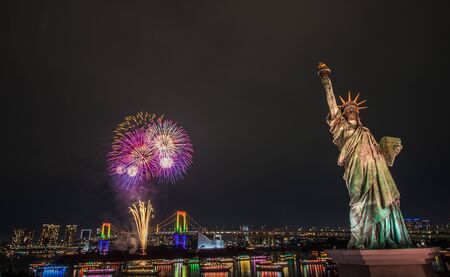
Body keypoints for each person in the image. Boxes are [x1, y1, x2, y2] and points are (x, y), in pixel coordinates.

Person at [318, 63, 413, 249]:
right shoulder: (342, 129)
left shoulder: (366, 132)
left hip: (375, 171)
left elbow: (381, 159)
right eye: (348, 109)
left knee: (379, 201)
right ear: (343, 114)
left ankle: (381, 236)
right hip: (355, 169)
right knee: (357, 204)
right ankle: (359, 237)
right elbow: (331, 104)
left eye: (354, 109)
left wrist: (392, 151)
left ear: (358, 113)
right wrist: (326, 81)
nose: (352, 110)